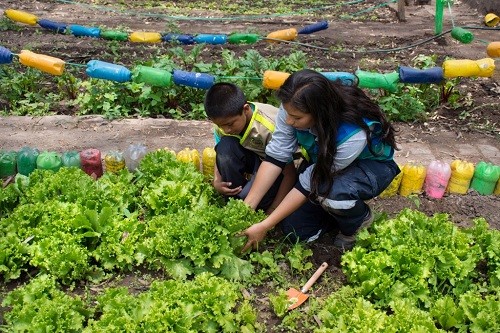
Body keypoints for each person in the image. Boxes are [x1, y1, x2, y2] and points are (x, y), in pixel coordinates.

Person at [241, 69, 400, 252]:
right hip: (324, 161)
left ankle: (357, 221)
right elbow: (276, 156)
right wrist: (247, 207)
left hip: (370, 167)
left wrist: (264, 225)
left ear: (320, 112)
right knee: (294, 232)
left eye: (297, 118)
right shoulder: (291, 107)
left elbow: (312, 179)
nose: (289, 121)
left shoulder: (352, 134)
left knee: (331, 192)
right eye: (288, 113)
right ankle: (331, 214)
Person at [204, 82, 296, 213]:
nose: (226, 130)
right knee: (225, 147)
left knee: (262, 203)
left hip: (279, 167)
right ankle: (235, 199)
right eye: (220, 126)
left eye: (230, 124)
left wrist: (273, 210)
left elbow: (290, 173)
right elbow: (220, 152)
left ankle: (253, 202)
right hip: (257, 160)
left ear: (246, 109)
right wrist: (217, 181)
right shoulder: (224, 123)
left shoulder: (269, 128)